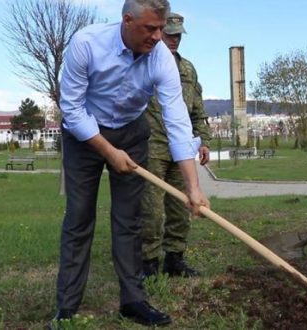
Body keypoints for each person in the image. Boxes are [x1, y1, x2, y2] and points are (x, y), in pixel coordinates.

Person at [52, 0, 209, 327]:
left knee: (129, 220)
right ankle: (66, 308)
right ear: (127, 20)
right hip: (84, 137)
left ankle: (133, 301)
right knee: (79, 218)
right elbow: (72, 110)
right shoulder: (86, 44)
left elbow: (177, 122)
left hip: (132, 133)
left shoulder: (161, 59)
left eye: (161, 29)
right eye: (150, 28)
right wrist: (108, 151)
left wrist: (194, 187)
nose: (157, 36)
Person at [140, 12, 211, 279]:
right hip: (151, 146)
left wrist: (203, 140)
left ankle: (174, 259)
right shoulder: (144, 63)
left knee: (181, 207)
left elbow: (197, 108)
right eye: (169, 34)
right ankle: (147, 262)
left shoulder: (188, 69)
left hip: (181, 150)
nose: (174, 40)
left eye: (178, 35)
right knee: (151, 209)